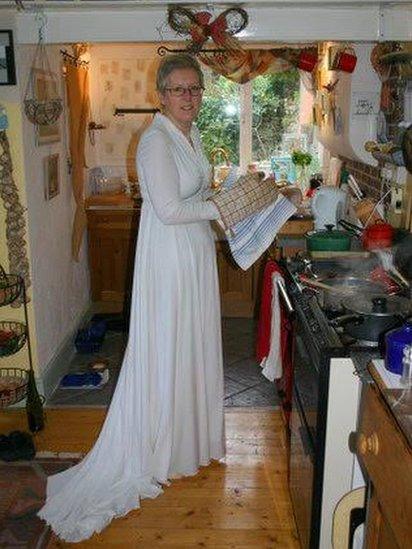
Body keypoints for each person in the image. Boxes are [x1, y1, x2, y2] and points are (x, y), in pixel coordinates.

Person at [38, 53, 225, 543]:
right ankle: (162, 447)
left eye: (196, 90)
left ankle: (189, 442)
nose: (189, 98)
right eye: (180, 90)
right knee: (168, 345)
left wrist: (223, 201)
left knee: (190, 344)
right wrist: (225, 204)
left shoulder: (191, 135)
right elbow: (167, 208)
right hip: (169, 257)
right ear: (160, 95)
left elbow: (196, 194)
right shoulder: (155, 141)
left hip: (195, 252)